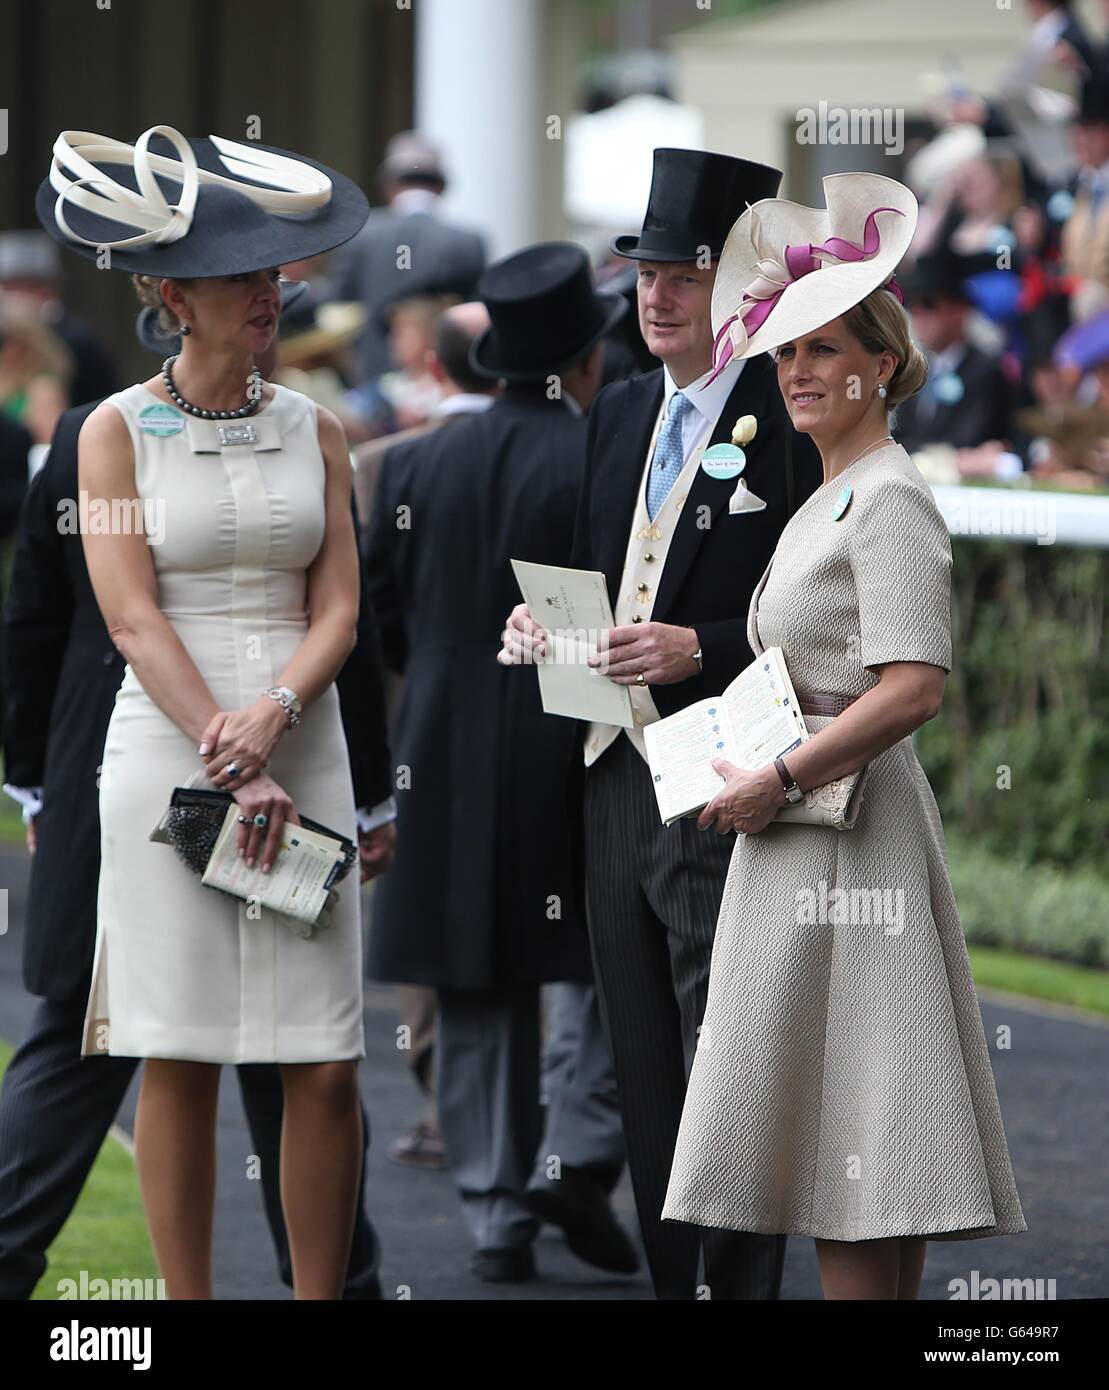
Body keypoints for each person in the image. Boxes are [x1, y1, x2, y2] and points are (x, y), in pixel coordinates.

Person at [660, 172, 1027, 1299]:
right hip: (793, 829)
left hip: (843, 836)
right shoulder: (831, 493)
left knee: (861, 1145)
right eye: (782, 355)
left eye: (822, 350)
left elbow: (912, 686)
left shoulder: (887, 494)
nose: (797, 372)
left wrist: (775, 772)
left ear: (878, 362)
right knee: (831, 1140)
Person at [0, 282, 396, 1300]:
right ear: (173, 296)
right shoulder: (114, 430)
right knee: (172, 1050)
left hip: (299, 738)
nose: (269, 299)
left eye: (276, 281)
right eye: (241, 281)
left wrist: (272, 717)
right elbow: (126, 615)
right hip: (164, 747)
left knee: (323, 1058)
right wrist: (233, 753)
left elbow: (343, 609)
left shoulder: (319, 425)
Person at [500, 148, 824, 1300]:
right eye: (643, 270)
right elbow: (600, 580)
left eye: (682, 272)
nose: (654, 294)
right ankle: (673, 1286)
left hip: (725, 771)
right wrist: (545, 632)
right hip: (607, 772)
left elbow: (828, 624)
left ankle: (737, 1291)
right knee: (640, 1066)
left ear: (735, 284)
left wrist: (707, 648)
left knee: (727, 1065)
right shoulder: (621, 409)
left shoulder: (788, 409)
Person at [365, 244, 634, 1284]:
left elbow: (381, 610)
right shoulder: (595, 458)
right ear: (580, 355)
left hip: (438, 732)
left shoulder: (420, 459)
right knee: (602, 955)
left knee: (474, 978)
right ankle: (569, 1153)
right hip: (569, 720)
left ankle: (491, 1210)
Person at [354, 299, 498, 1171]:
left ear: (433, 370)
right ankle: (520, 1112)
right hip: (534, 722)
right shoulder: (585, 444)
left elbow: (366, 620)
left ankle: (445, 1096)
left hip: (411, 722)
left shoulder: (378, 467)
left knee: (417, 911)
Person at [330, 132, 486, 383]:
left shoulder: (361, 236)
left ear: (388, 184)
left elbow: (337, 310)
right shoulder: (467, 241)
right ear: (441, 186)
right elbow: (476, 320)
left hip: (371, 382)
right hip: (441, 380)